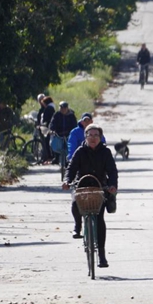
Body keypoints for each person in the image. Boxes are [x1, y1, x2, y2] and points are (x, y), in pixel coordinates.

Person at [63, 124, 118, 268]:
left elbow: (112, 171)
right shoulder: (80, 151)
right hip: (82, 186)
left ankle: (101, 255)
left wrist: (112, 185)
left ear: (100, 138)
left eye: (96, 135)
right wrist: (67, 181)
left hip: (100, 187)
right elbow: (71, 168)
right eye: (90, 135)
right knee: (75, 204)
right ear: (85, 137)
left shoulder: (105, 152)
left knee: (99, 218)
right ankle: (78, 225)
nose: (93, 138)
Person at [40, 96, 56, 163]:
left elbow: (45, 118)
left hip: (47, 127)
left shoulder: (48, 108)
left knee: (47, 142)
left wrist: (42, 122)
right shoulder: (52, 107)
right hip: (50, 126)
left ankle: (50, 157)